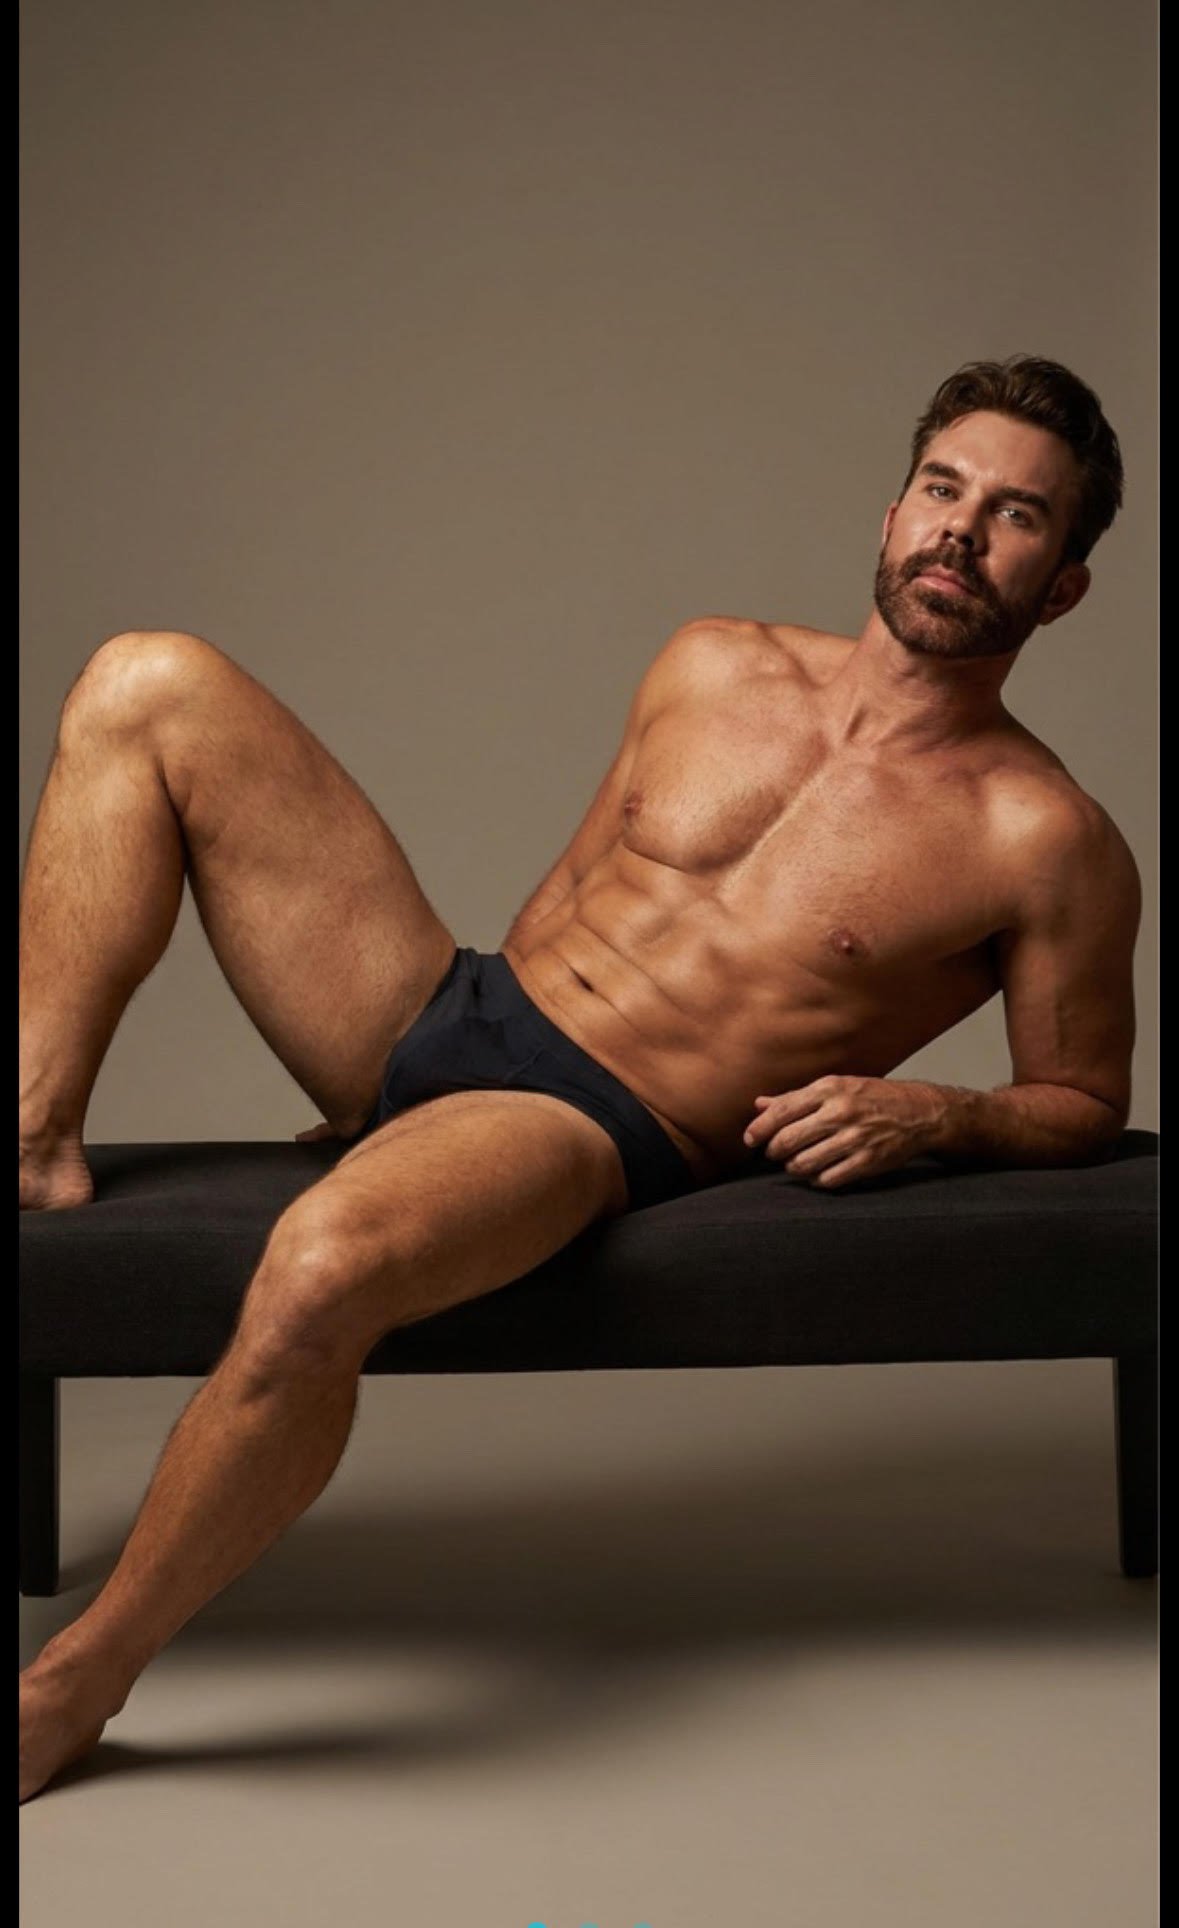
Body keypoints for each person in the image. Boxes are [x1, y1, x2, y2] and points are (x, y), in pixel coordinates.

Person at [18, 354, 1141, 1799]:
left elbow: (1081, 1102)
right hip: (463, 1009)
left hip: (595, 1123)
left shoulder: (1046, 839)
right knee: (145, 680)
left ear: (1062, 587)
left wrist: (940, 1110)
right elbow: (571, 892)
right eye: (943, 488)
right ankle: (32, 1135)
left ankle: (79, 1679)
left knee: (321, 1263)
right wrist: (400, 1095)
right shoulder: (711, 661)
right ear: (890, 511)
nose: (961, 532)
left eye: (1017, 516)